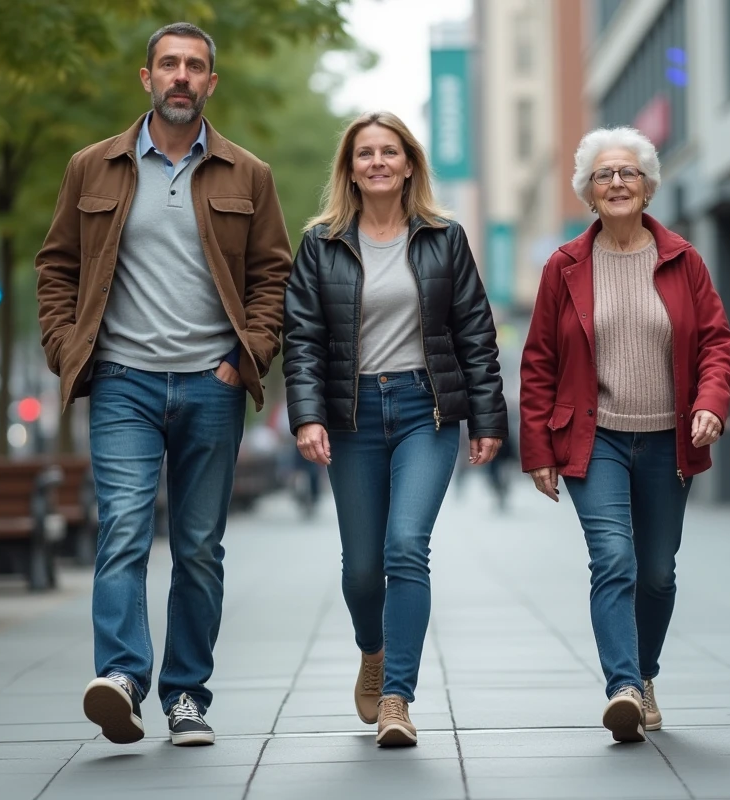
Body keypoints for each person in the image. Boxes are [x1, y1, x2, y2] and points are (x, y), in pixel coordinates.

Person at [35, 22, 292, 747]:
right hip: (123, 381)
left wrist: (248, 357)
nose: (182, 76)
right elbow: (56, 266)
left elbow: (273, 276)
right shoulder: (92, 167)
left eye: (195, 66)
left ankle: (186, 697)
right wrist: (66, 348)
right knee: (122, 527)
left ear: (212, 82)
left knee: (199, 547)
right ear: (146, 78)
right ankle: (122, 678)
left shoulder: (248, 174)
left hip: (213, 385)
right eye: (169, 64)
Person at [282, 111, 507, 748]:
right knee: (362, 570)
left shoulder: (444, 238)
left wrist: (487, 417)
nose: (377, 162)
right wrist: (307, 415)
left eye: (389, 152)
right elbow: (302, 339)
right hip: (351, 415)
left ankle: (397, 698)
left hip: (423, 411)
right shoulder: (321, 242)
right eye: (365, 154)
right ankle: (373, 651)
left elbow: (475, 333)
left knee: (406, 546)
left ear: (409, 165)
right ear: (350, 170)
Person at [519, 126, 730, 743]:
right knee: (614, 558)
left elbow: (716, 343)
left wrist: (711, 404)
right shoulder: (564, 266)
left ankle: (644, 673)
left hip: (669, 440)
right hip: (596, 440)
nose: (616, 183)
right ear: (588, 191)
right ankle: (623, 689)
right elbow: (539, 361)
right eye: (604, 175)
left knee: (658, 571)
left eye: (628, 173)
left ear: (648, 187)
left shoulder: (684, 259)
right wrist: (538, 449)